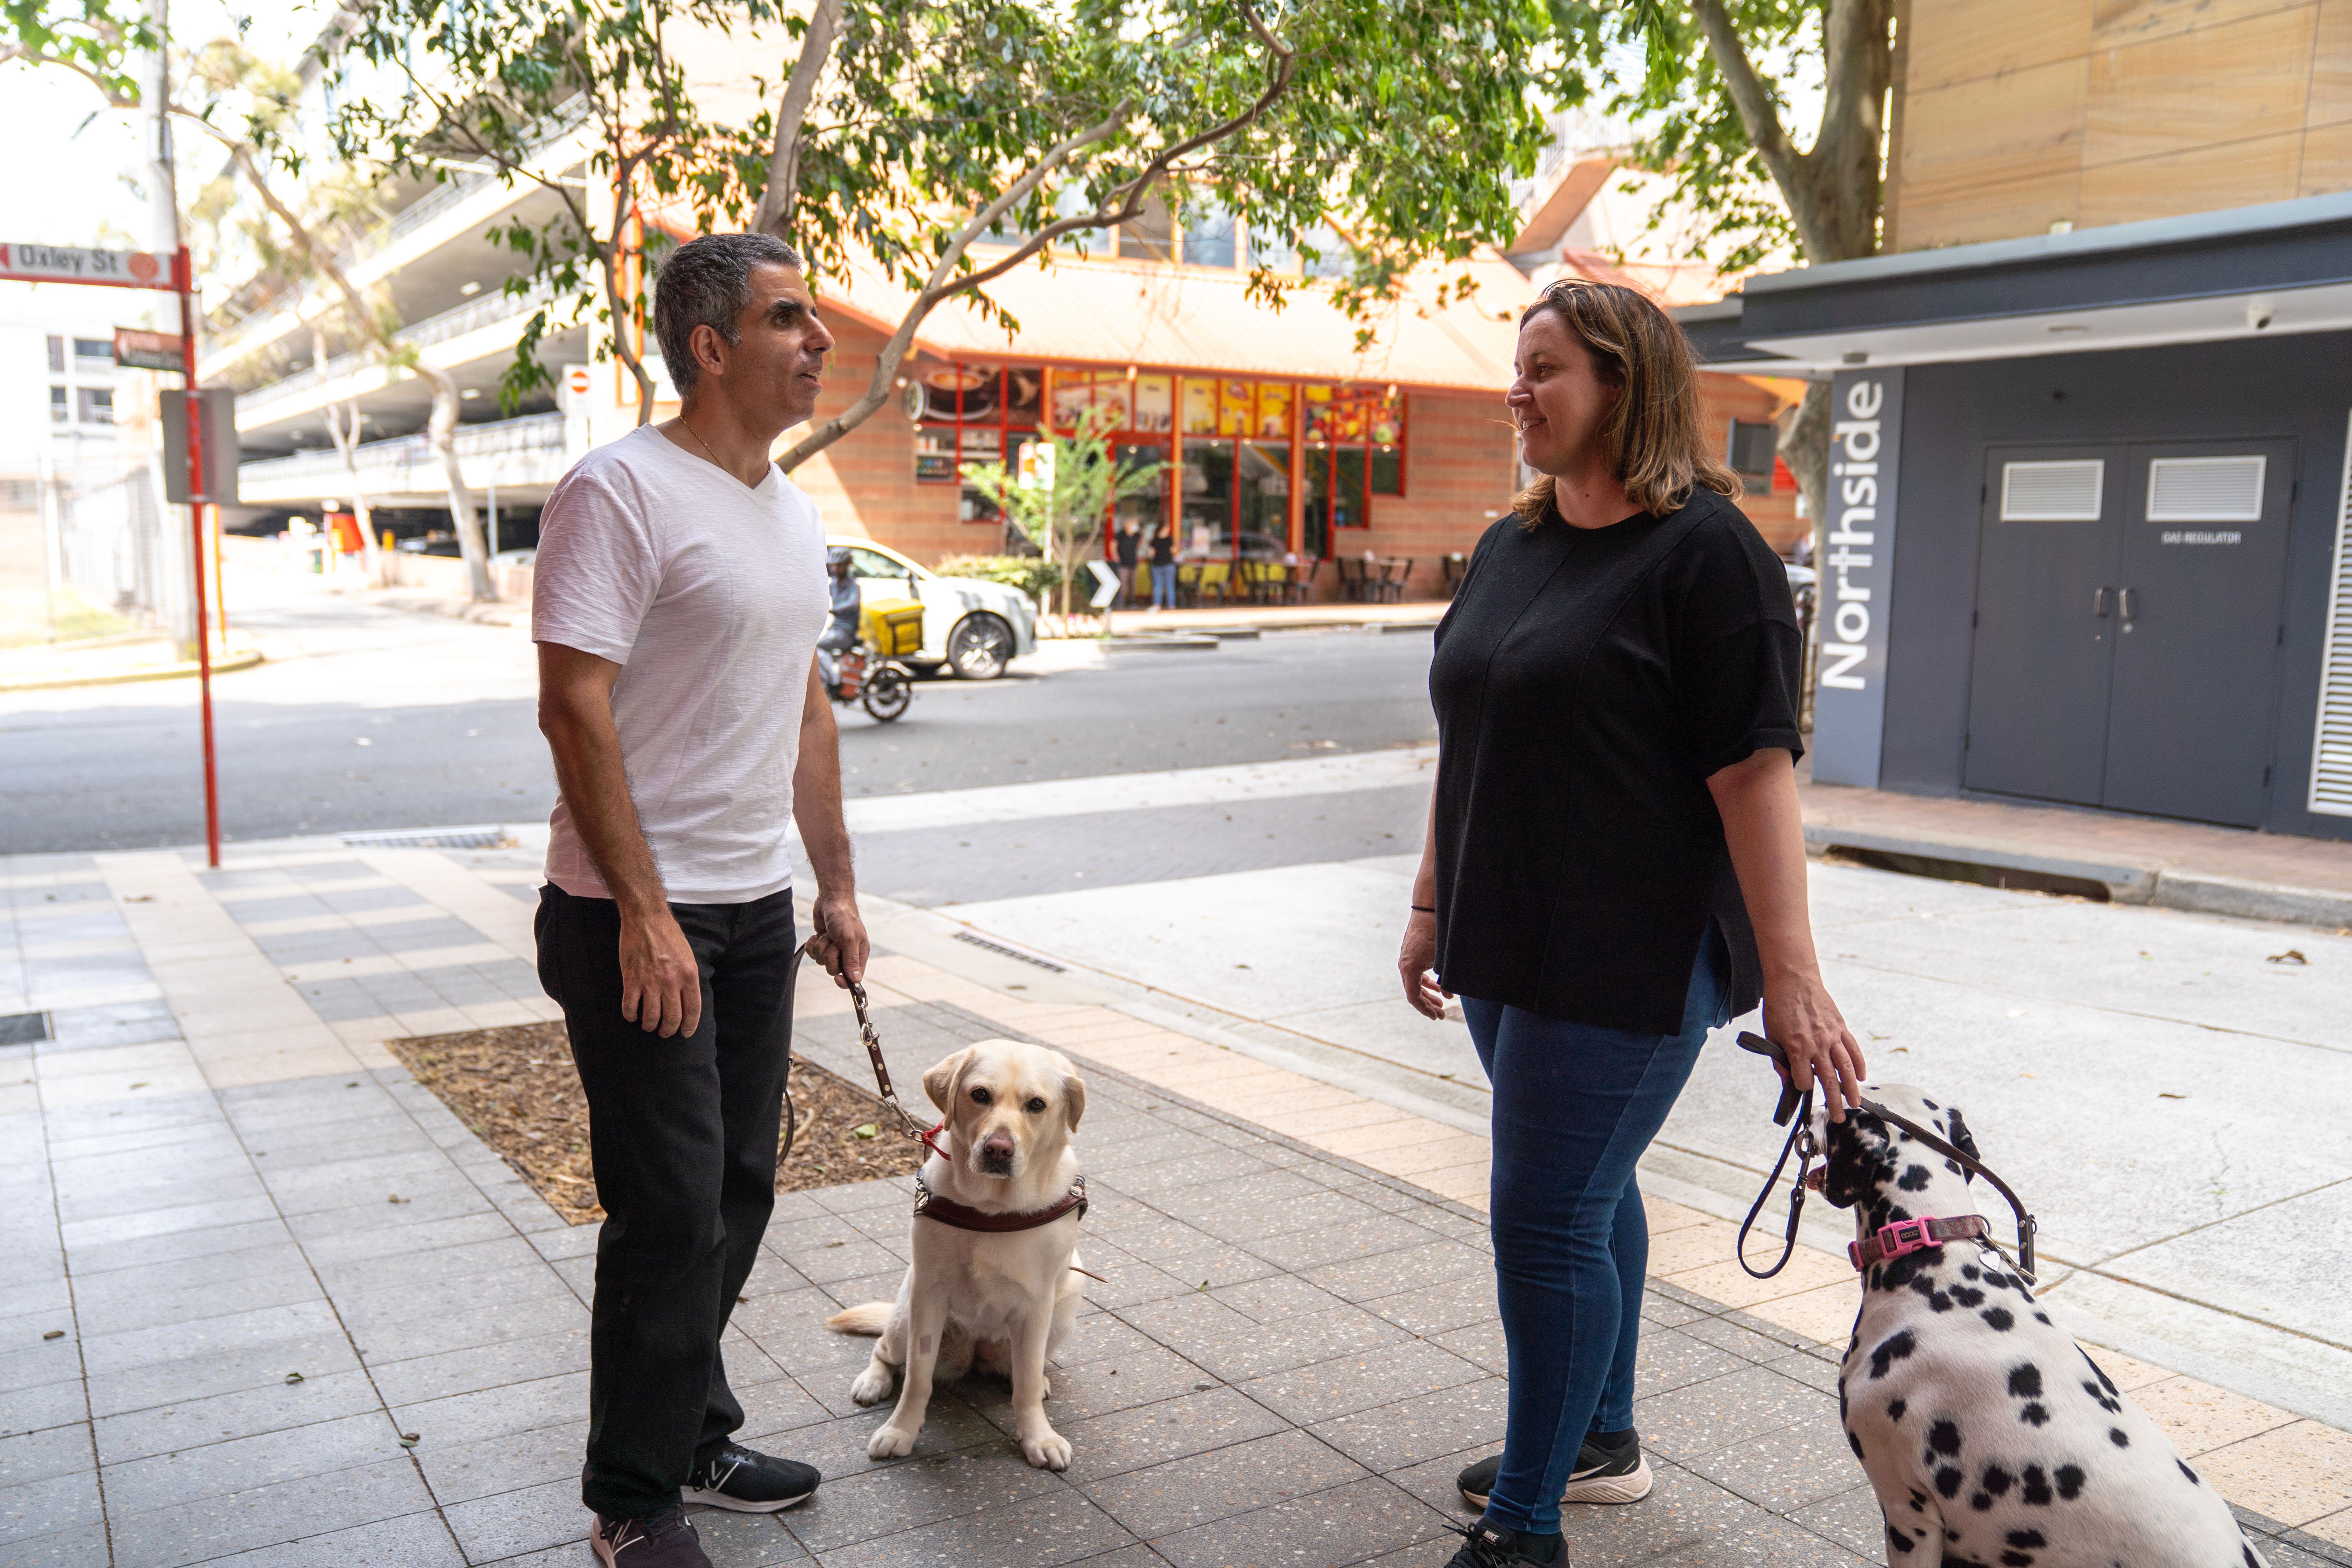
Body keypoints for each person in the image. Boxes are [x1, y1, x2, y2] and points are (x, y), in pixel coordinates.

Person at [1399, 278, 1866, 1568]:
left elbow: (1754, 776)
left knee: (1546, 1220)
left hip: (1629, 954)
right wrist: (1431, 902)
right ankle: (1600, 1439)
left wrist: (1794, 977)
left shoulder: (1710, 556)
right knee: (1585, 1197)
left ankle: (1526, 1526)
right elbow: (1467, 735)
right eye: (1519, 366)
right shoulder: (1513, 543)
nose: (1518, 391)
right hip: (1504, 938)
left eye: (1545, 368)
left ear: (1626, 383)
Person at [532, 231, 869, 1568]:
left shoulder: (791, 510)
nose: (819, 339)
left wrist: (835, 885)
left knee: (736, 1189)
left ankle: (691, 1432)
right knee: (670, 1206)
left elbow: (807, 710)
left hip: (754, 909)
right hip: (632, 916)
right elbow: (573, 705)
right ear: (712, 347)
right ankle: (631, 1498)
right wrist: (643, 912)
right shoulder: (618, 490)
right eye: (790, 318)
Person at [817, 545, 860, 690]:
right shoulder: (833, 585)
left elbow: (853, 604)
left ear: (847, 566)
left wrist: (834, 609)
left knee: (817, 647)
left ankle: (835, 681)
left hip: (846, 632)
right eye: (834, 566)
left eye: (840, 566)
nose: (836, 569)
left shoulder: (853, 586)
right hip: (834, 628)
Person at [1112, 519, 1143, 609]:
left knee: (1133, 584)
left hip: (1133, 562)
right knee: (1123, 584)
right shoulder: (1121, 534)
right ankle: (1120, 603)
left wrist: (1142, 534)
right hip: (1123, 563)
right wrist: (1115, 556)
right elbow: (1113, 545)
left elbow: (1139, 545)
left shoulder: (1137, 535)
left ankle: (1132, 602)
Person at [1148, 521, 1178, 612]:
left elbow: (1151, 553)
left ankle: (1157, 605)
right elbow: (1174, 551)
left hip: (1157, 565)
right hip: (1169, 564)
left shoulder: (1154, 540)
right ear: (1164, 528)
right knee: (1170, 586)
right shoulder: (1170, 539)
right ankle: (1171, 606)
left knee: (1158, 586)